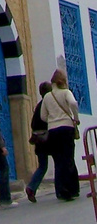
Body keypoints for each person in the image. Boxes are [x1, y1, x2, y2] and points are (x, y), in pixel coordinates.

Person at [40, 69, 80, 201]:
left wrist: (53, 120)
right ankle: (72, 189)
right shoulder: (66, 92)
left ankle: (61, 191)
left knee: (58, 161)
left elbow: (43, 116)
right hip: (66, 128)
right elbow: (73, 103)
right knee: (68, 158)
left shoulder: (47, 97)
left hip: (53, 130)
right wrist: (75, 117)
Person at [25, 81, 53, 202]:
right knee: (59, 161)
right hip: (48, 138)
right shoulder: (49, 105)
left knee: (42, 166)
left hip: (38, 140)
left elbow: (33, 123)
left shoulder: (38, 106)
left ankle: (31, 187)